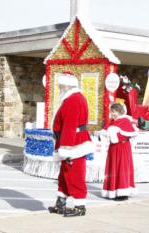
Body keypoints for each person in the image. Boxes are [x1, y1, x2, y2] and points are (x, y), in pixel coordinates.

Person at [48, 71, 93, 217]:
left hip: (73, 144)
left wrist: (66, 149)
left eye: (61, 86)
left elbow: (70, 125)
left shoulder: (73, 100)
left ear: (67, 86)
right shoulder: (73, 98)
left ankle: (80, 206)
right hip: (71, 141)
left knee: (75, 174)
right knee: (64, 174)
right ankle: (60, 202)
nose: (60, 88)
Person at [101, 103, 138, 201]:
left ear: (118, 111)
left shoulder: (125, 120)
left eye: (113, 111)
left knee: (122, 168)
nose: (111, 114)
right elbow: (104, 131)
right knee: (113, 169)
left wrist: (116, 136)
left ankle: (123, 193)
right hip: (114, 148)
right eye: (111, 111)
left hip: (122, 147)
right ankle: (113, 191)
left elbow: (130, 134)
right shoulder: (113, 122)